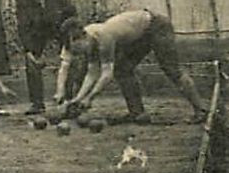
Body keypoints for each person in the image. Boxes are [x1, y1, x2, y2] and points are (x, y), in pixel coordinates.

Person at [59, 9, 210, 124]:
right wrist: (78, 99)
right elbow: (92, 74)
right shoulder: (89, 40)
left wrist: (90, 97)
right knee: (123, 69)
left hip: (157, 25)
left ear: (83, 37)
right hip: (138, 35)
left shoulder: (104, 37)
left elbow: (106, 74)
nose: (81, 54)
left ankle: (201, 110)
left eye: (79, 50)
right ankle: (137, 113)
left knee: (171, 69)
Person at [17, 0, 78, 114]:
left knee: (69, 62)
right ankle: (37, 104)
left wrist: (68, 46)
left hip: (61, 27)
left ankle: (68, 99)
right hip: (37, 30)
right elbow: (23, 25)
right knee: (31, 62)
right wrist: (28, 50)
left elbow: (72, 20)